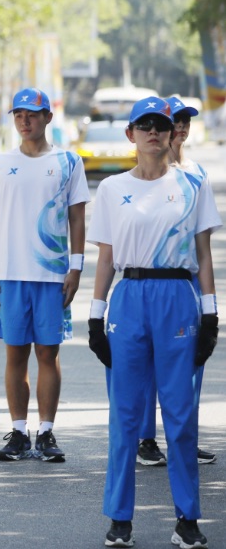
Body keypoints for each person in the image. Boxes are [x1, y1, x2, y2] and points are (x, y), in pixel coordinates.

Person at [87, 96, 219, 548]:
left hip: (176, 298)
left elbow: (203, 254)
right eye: (143, 125)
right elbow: (105, 257)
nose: (153, 132)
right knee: (125, 415)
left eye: (161, 125)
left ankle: (187, 520)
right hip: (129, 298)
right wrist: (95, 315)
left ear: (171, 133)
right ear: (130, 134)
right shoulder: (109, 189)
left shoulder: (192, 186)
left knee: (180, 416)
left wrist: (210, 313)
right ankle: (120, 518)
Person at [0, 87, 89, 463]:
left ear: (47, 118)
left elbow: (77, 218)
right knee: (14, 354)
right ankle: (19, 431)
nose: (25, 121)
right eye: (19, 115)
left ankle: (46, 431)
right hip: (10, 274)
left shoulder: (69, 162)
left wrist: (76, 266)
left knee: (48, 352)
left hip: (53, 273)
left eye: (33, 114)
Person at [135, 97, 217, 467]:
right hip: (154, 282)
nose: (181, 127)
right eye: (176, 120)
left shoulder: (196, 174)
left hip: (189, 281)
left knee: (191, 364)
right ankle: (146, 438)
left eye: (185, 121)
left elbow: (204, 243)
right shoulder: (147, 173)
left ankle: (186, 437)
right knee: (151, 361)